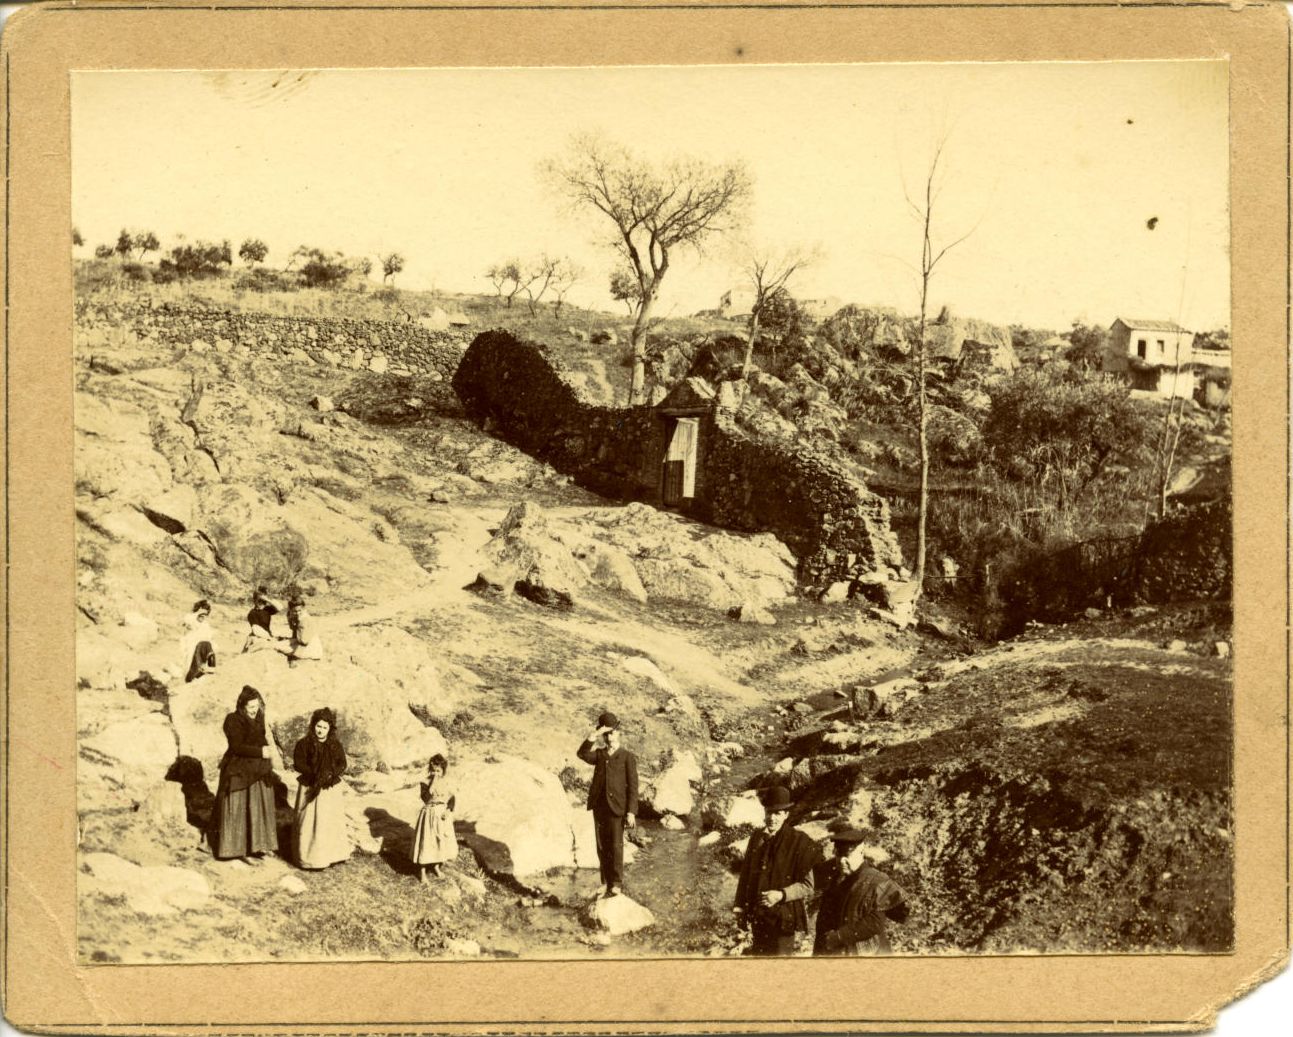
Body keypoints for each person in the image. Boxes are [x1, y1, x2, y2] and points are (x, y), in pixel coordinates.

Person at [733, 785, 821, 955]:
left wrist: (781, 894)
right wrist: (740, 908)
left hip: (783, 919)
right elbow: (745, 876)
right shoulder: (757, 838)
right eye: (769, 812)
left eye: (778, 813)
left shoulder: (799, 842)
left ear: (786, 814)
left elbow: (808, 886)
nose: (772, 818)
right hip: (759, 918)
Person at [812, 827, 910, 956]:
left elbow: (875, 922)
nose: (842, 861)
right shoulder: (835, 879)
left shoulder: (876, 880)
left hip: (867, 952)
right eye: (838, 855)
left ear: (861, 852)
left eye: (847, 855)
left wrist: (839, 937)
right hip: (834, 949)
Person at [209, 685, 279, 862]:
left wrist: (266, 754)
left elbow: (261, 739)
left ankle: (258, 845)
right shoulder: (233, 720)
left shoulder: (259, 717)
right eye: (251, 707)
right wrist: (260, 753)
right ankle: (236, 849)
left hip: (257, 766)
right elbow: (236, 747)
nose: (254, 710)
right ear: (242, 706)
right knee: (239, 805)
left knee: (259, 803)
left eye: (256, 706)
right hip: (238, 764)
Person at [576, 710, 638, 898]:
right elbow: (582, 753)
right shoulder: (600, 754)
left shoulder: (627, 757)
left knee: (616, 846)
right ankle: (606, 882)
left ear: (619, 733)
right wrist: (593, 735)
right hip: (600, 807)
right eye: (606, 733)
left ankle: (617, 883)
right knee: (602, 845)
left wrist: (631, 812)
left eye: (612, 732)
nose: (610, 736)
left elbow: (633, 787)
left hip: (618, 808)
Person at [291, 707, 351, 870]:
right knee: (309, 821)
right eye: (318, 726)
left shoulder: (335, 745)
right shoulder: (304, 744)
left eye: (324, 727)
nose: (320, 730)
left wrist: (330, 774)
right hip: (310, 786)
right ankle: (310, 858)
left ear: (330, 728)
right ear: (313, 726)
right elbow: (299, 763)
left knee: (328, 821)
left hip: (329, 789)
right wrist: (315, 774)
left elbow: (342, 764)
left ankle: (332, 855)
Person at [411, 753, 458, 883]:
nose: (435, 773)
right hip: (429, 814)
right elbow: (425, 798)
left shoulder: (447, 782)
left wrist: (448, 810)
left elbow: (452, 798)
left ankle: (436, 866)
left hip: (442, 816)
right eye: (433, 770)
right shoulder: (425, 782)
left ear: (443, 770)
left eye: (438, 771)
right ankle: (422, 872)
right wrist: (433, 782)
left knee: (440, 841)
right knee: (427, 842)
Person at [274, 595, 322, 665]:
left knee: (279, 647)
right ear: (290, 610)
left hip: (309, 648)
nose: (298, 613)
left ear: (303, 609)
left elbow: (304, 641)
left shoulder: (303, 619)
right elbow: (294, 632)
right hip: (303, 643)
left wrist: (294, 658)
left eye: (299, 610)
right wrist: (290, 619)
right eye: (295, 611)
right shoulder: (297, 617)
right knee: (280, 645)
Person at [180, 599, 217, 683]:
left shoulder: (205, 625)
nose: (203, 617)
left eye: (205, 615)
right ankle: (191, 677)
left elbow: (209, 637)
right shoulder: (192, 620)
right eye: (201, 615)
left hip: (202, 646)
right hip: (192, 644)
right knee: (191, 663)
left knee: (207, 648)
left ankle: (207, 669)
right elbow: (186, 622)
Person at [242, 586, 280, 653]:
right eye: (258, 600)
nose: (261, 602)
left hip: (267, 636)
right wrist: (269, 638)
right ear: (254, 601)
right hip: (258, 636)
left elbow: (280, 607)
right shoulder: (252, 613)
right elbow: (256, 629)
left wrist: (267, 599)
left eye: (262, 601)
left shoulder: (267, 610)